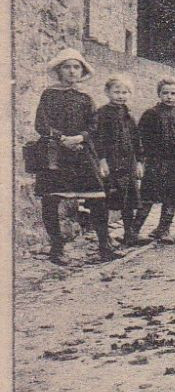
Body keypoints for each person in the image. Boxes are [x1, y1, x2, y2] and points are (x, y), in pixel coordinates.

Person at [30, 49, 119, 264]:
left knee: (97, 197)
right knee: (52, 199)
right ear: (60, 71)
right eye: (67, 67)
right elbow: (41, 124)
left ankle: (104, 247)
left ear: (82, 71)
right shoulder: (49, 94)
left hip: (82, 152)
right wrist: (62, 139)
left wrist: (80, 137)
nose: (72, 71)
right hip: (55, 154)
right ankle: (57, 249)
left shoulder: (86, 98)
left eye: (76, 67)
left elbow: (94, 125)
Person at [138, 78, 175, 243]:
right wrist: (142, 160)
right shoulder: (150, 114)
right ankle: (132, 231)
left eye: (173, 93)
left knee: (171, 197)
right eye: (165, 93)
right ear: (159, 94)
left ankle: (164, 230)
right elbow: (141, 138)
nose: (169, 97)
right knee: (147, 197)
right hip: (155, 163)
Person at [92, 74, 146, 248]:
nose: (121, 95)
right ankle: (105, 237)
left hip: (128, 163)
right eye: (117, 91)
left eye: (125, 92)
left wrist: (139, 162)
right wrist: (102, 160)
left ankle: (129, 233)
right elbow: (98, 138)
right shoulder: (101, 114)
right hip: (111, 163)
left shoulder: (128, 115)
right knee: (107, 199)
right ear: (107, 92)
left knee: (129, 200)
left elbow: (136, 140)